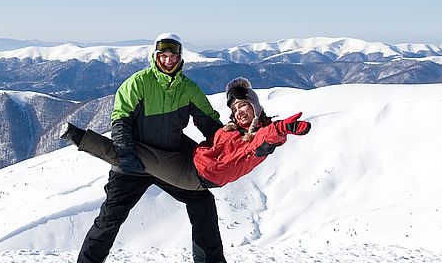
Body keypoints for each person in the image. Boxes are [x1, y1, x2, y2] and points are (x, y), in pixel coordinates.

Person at [66, 33, 229, 263]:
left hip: (171, 162)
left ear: (180, 58)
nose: (168, 60)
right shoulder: (138, 83)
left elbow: (209, 123)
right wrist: (127, 156)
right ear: (155, 57)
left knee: (202, 200)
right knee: (111, 215)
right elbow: (120, 120)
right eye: (163, 56)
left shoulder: (188, 89)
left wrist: (228, 147)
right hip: (133, 162)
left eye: (173, 56)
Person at [62, 77, 311, 192]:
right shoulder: (233, 130)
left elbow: (264, 139)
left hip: (196, 176)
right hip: (194, 156)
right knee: (148, 138)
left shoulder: (258, 135)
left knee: (134, 153)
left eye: (244, 105)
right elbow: (213, 131)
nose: (240, 111)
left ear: (256, 106)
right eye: (235, 109)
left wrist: (283, 129)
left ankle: (79, 138)